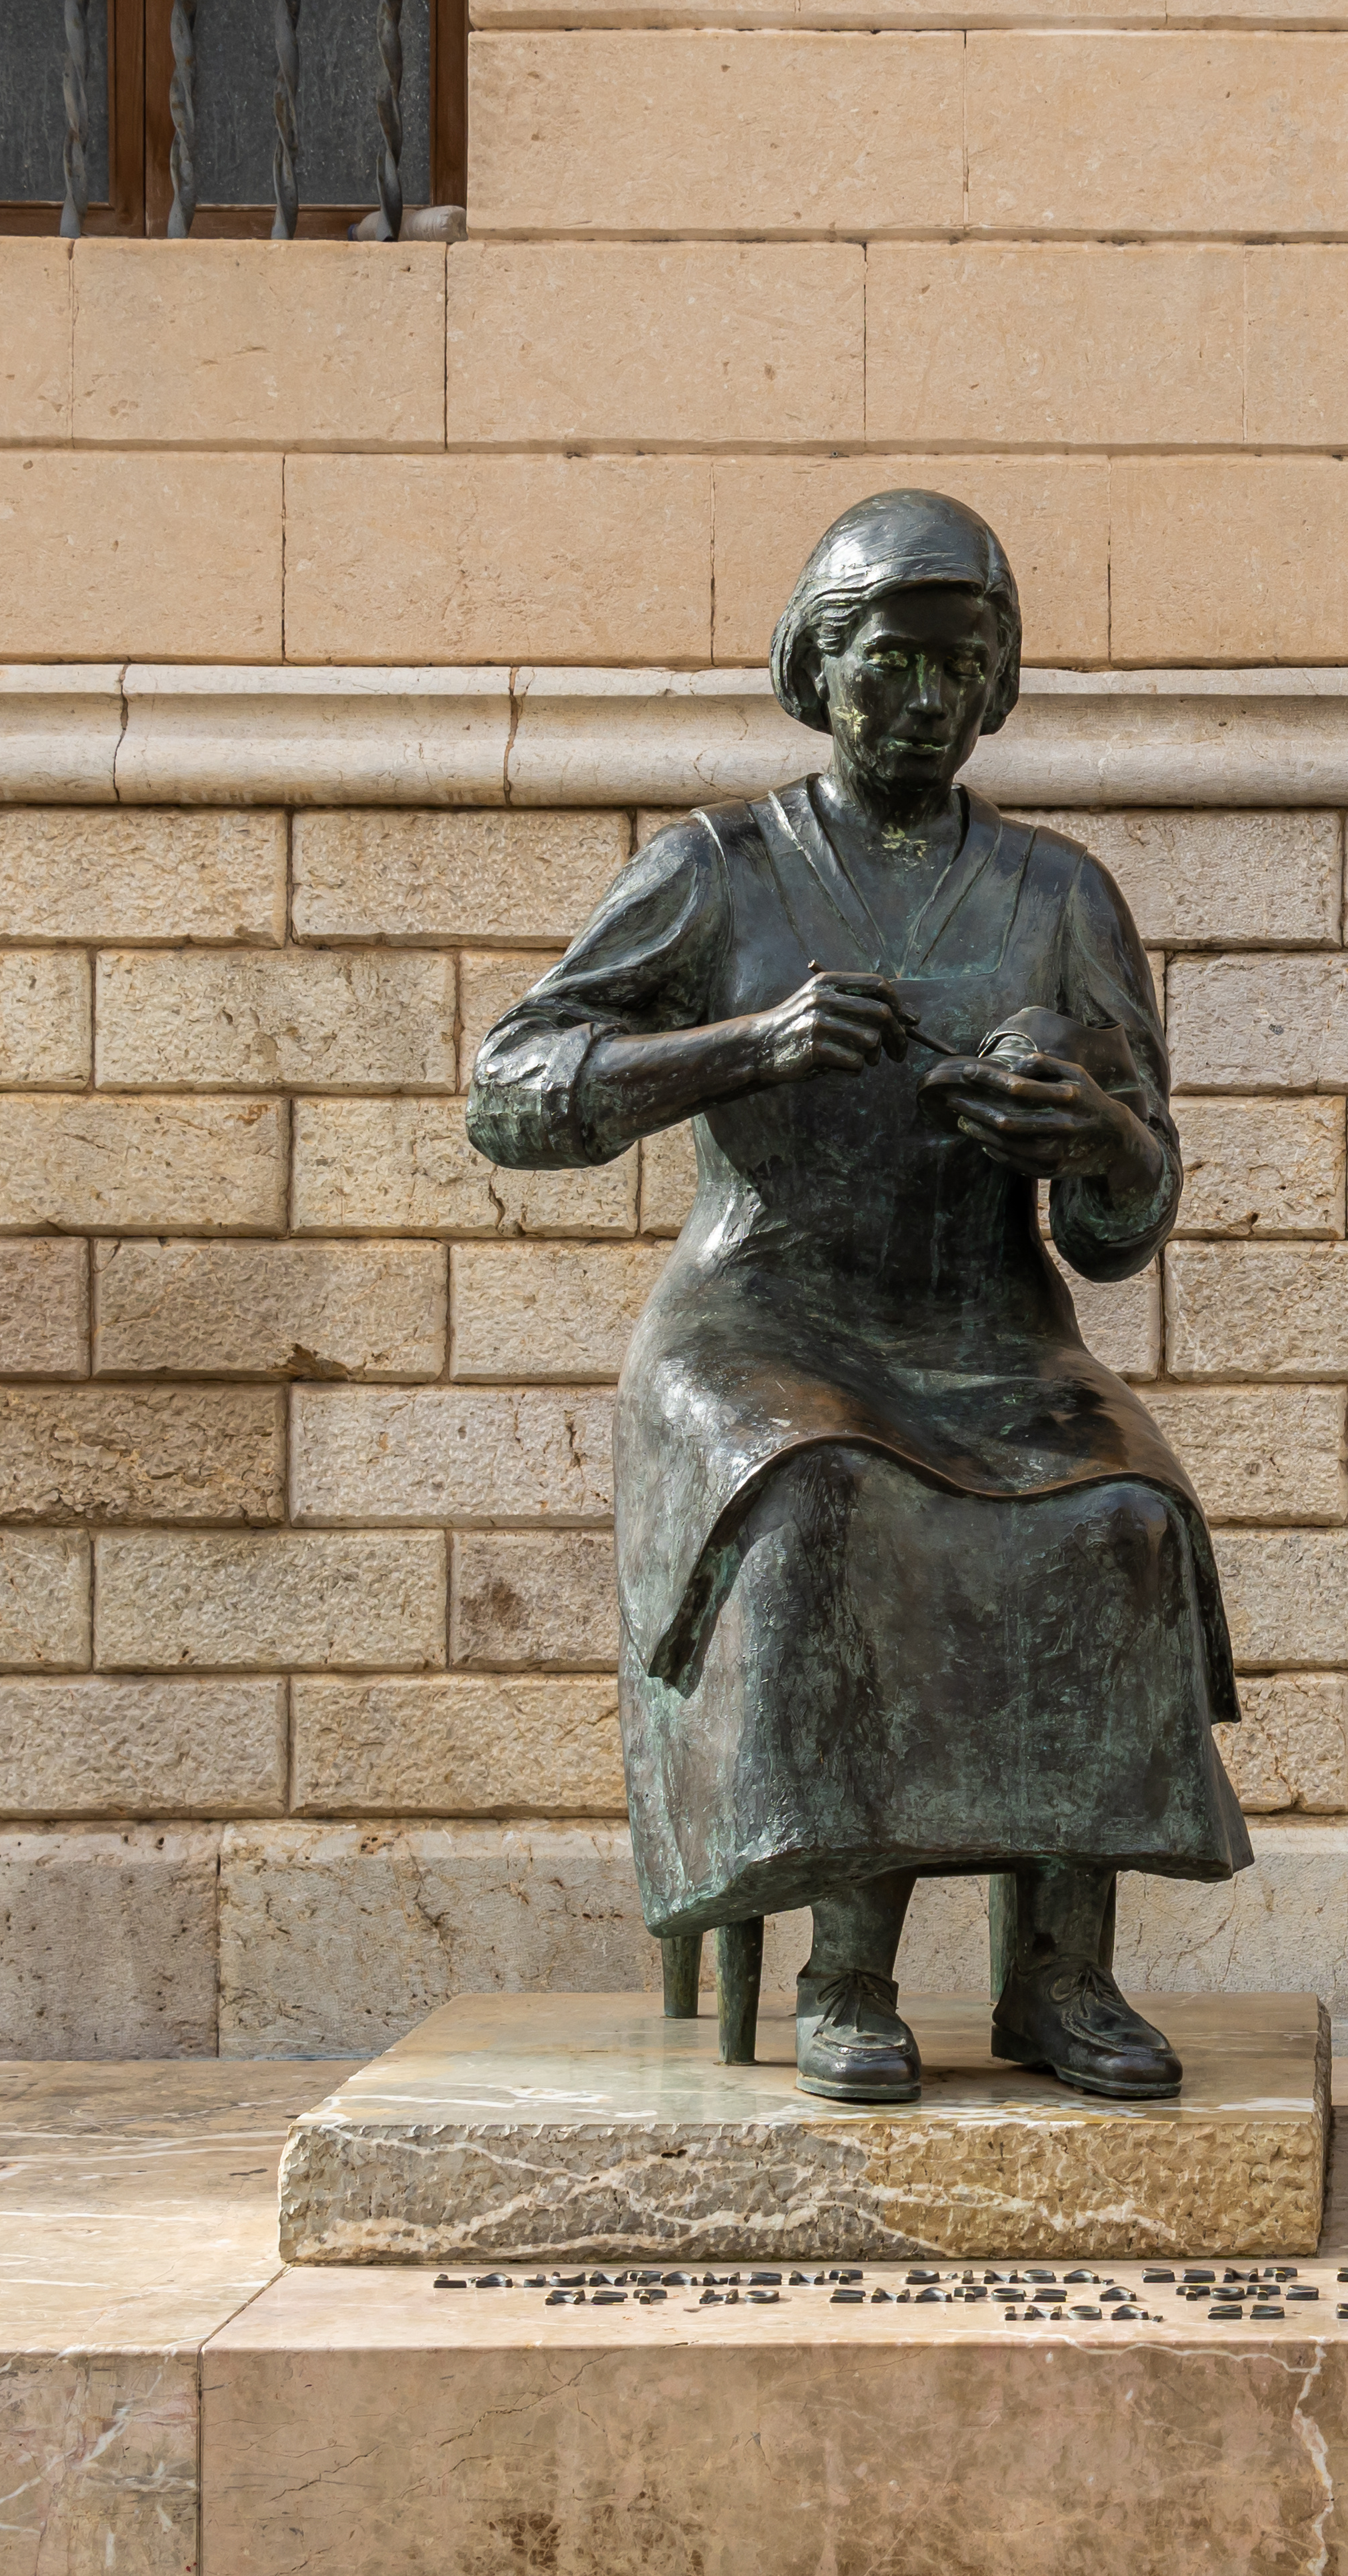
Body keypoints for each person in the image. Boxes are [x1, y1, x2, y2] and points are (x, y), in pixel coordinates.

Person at [467, 491, 1247, 2107]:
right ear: (817, 669)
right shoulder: (719, 870)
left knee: (1122, 1514)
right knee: (821, 1494)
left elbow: (1127, 1219)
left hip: (988, 1328)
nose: (927, 701)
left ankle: (1059, 1972)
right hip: (765, 1322)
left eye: (964, 668)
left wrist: (1089, 1136)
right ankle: (847, 1966)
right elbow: (512, 1089)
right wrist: (736, 1049)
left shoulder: (1058, 897)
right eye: (892, 662)